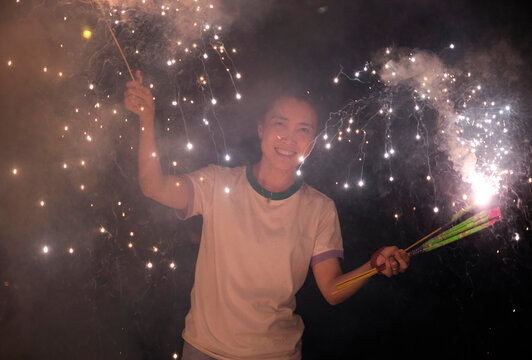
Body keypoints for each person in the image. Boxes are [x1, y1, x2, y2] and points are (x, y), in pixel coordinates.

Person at [124, 71, 410, 360]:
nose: (289, 138)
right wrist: (146, 120)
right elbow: (154, 187)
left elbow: (332, 289)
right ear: (261, 128)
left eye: (303, 129)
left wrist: (374, 266)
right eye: (280, 124)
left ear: (312, 142)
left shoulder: (319, 208)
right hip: (204, 350)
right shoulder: (215, 183)